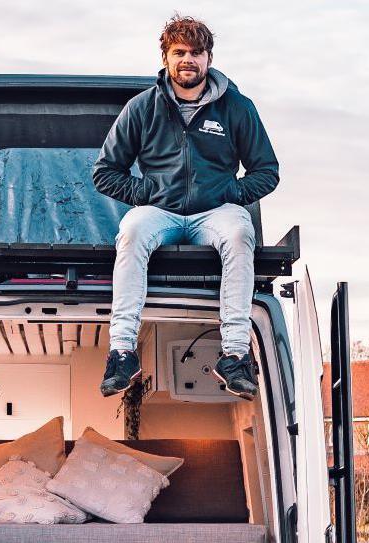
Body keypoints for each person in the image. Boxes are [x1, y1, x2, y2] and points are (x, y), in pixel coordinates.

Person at [92, 15, 279, 401]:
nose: (188, 60)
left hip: (215, 212)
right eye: (179, 52)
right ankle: (122, 352)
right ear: (166, 58)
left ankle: (235, 355)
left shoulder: (237, 108)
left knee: (241, 233)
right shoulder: (142, 108)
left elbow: (267, 171)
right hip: (159, 210)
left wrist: (229, 192)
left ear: (209, 58)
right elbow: (105, 172)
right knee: (130, 232)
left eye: (196, 52)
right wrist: (147, 191)